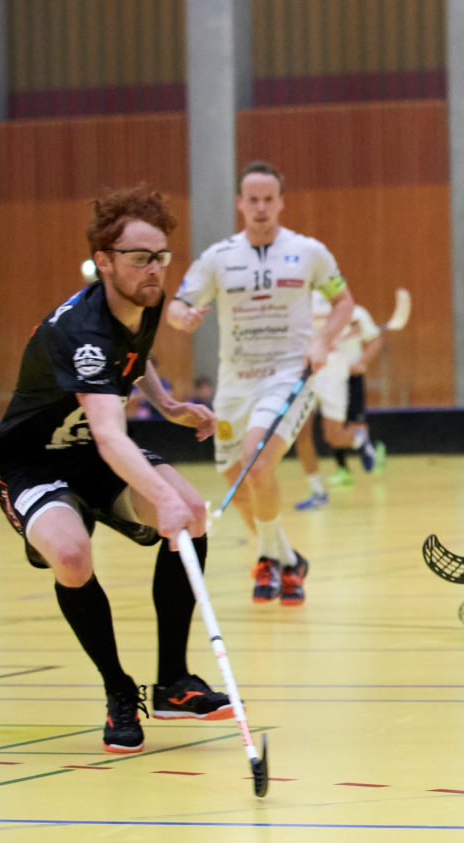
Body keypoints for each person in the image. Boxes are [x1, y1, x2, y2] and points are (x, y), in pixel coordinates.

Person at [0, 186, 231, 754]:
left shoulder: (146, 298)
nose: (154, 269)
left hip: (93, 450)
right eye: (139, 257)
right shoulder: (79, 331)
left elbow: (133, 362)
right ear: (104, 260)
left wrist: (167, 404)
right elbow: (112, 432)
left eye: (161, 255)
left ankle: (172, 684)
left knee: (191, 512)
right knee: (71, 555)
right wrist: (155, 494)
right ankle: (119, 690)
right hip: (33, 459)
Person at [168, 161, 355, 606]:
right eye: (252, 199)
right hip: (234, 386)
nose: (260, 207)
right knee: (234, 474)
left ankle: (272, 561)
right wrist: (184, 318)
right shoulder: (218, 257)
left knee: (255, 463)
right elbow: (178, 304)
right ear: (240, 204)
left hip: (288, 376)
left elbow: (344, 301)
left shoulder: (309, 251)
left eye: (268, 199)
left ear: (281, 202)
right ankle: (284, 561)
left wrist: (324, 340)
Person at [294, 296, 386, 510]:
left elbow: (372, 339)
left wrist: (361, 360)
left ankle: (360, 442)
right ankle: (317, 491)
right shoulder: (299, 295)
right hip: (303, 372)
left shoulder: (349, 309)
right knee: (301, 434)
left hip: (334, 372)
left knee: (333, 436)